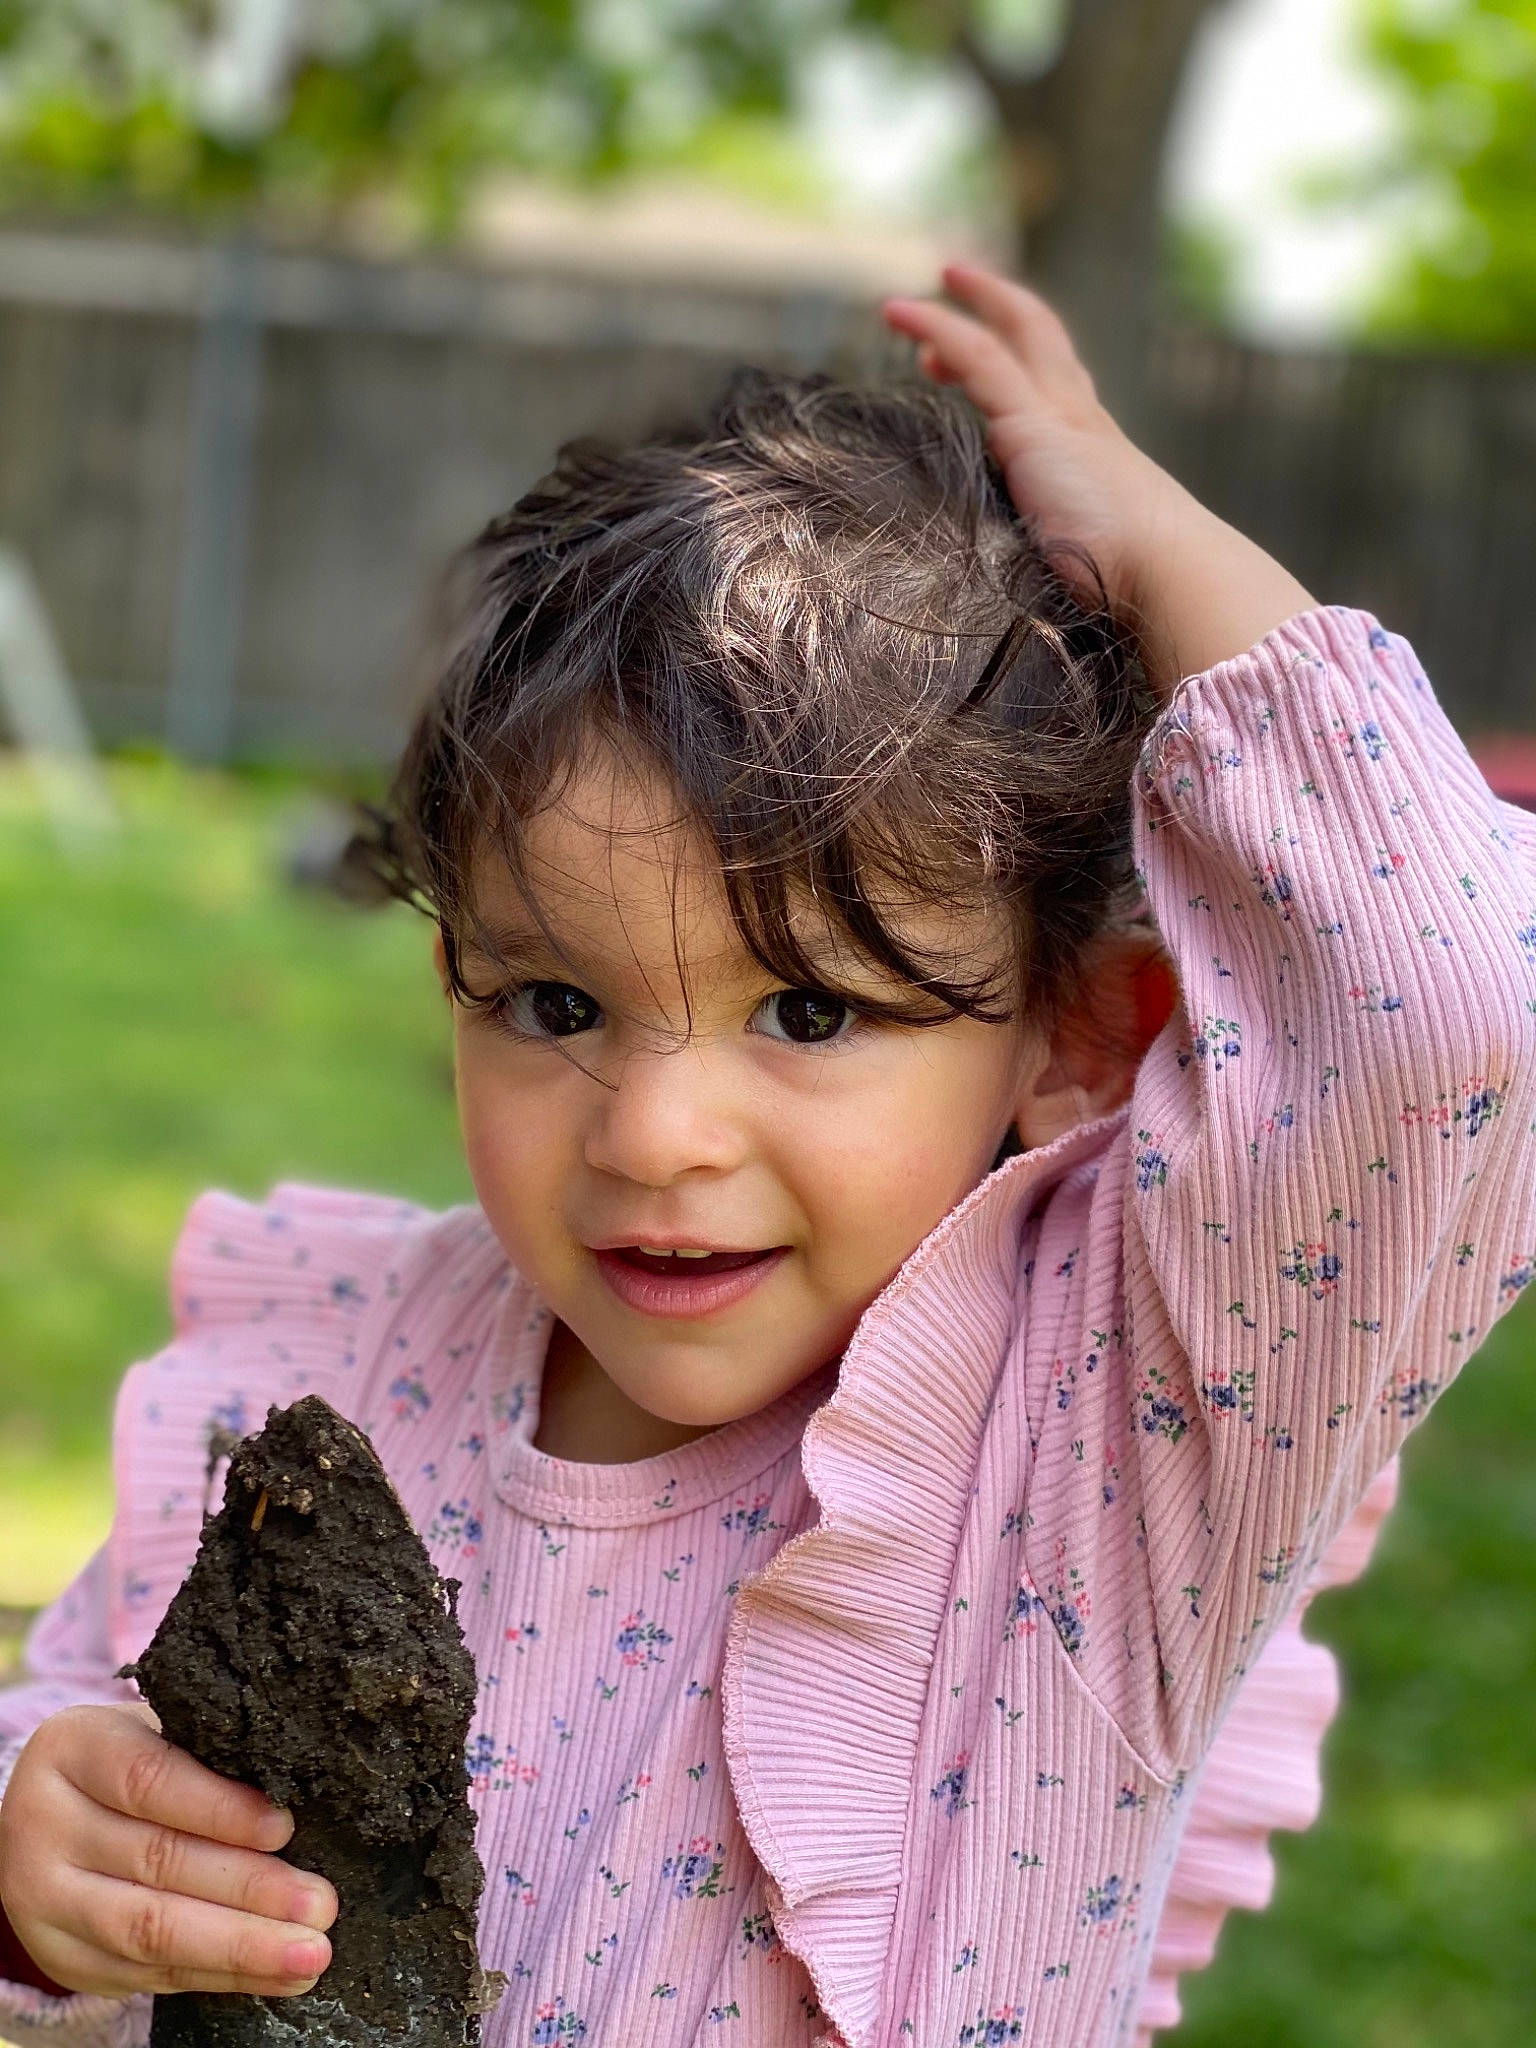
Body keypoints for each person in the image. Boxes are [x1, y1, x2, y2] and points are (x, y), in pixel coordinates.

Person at [0, 264, 1531, 2048]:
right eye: (556, 1003)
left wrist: (1160, 547)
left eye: (807, 1012)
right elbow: (90, 1737)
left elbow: (1462, 1015)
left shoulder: (1112, 1449)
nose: (656, 1137)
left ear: (1077, 1033)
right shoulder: (350, 1361)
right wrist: (46, 1858)